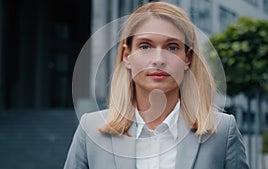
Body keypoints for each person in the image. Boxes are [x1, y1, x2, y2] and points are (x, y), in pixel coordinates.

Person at [64, 2, 249, 169]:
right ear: (127, 56)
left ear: (188, 58)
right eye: (145, 46)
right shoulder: (91, 130)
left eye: (172, 47)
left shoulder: (223, 132)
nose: (159, 60)